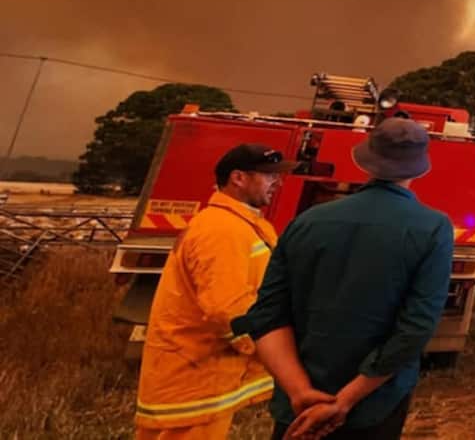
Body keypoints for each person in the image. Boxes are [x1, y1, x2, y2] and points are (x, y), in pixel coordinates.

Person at [232, 117, 454, 440]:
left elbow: (267, 315)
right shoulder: (433, 228)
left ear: (365, 160)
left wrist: (300, 393)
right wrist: (344, 401)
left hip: (299, 411)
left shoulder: (306, 221)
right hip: (375, 405)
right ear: (420, 168)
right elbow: (416, 328)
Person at [135, 143, 301, 440]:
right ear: (238, 177)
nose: (279, 182)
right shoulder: (222, 230)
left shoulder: (240, 224)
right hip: (194, 375)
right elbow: (228, 308)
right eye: (269, 175)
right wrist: (274, 349)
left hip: (199, 372)